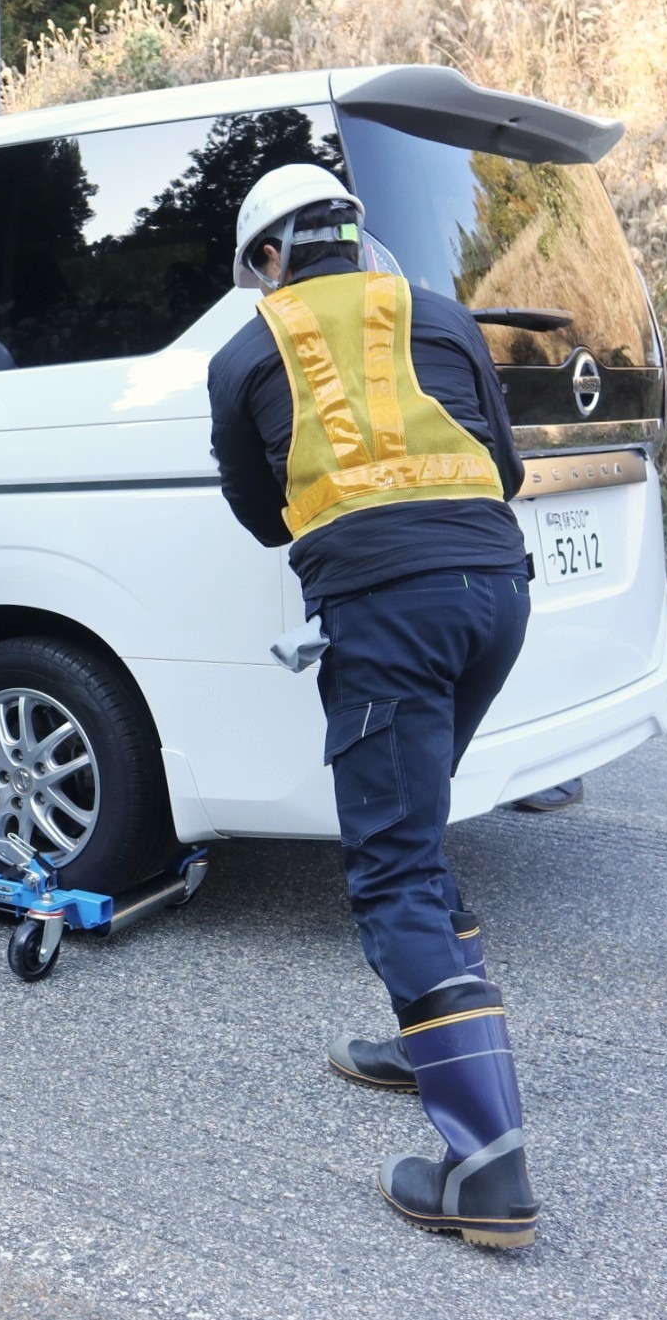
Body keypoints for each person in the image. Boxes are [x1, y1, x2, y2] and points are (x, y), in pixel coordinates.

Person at [205, 164, 540, 1249]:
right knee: (416, 814)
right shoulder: (438, 313)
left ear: (268, 256)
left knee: (389, 864)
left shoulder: (247, 351)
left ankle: (485, 1168)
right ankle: (429, 1036)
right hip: (495, 595)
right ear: (353, 236)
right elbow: (503, 466)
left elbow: (262, 513)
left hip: (389, 612)